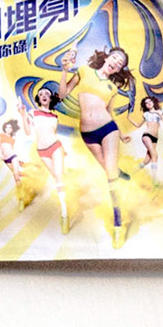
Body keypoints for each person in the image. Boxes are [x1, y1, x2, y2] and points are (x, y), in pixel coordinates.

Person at [60, 46, 135, 247]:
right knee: (110, 170)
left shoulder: (113, 89)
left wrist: (120, 134)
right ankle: (118, 172)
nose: (116, 62)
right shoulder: (84, 71)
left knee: (110, 176)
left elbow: (111, 113)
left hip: (107, 129)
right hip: (87, 134)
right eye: (116, 57)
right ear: (107, 57)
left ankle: (118, 223)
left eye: (120, 63)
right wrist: (65, 70)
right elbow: (62, 94)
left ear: (119, 70)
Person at [25, 82, 70, 231]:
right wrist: (22, 114)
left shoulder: (54, 116)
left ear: (50, 99)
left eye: (47, 94)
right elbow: (27, 132)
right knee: (58, 178)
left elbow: (54, 134)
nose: (44, 96)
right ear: (38, 98)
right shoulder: (32, 113)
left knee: (58, 177)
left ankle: (64, 214)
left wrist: (62, 151)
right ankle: (67, 178)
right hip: (42, 151)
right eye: (41, 94)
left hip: (56, 147)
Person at [0, 118, 27, 200]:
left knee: (16, 176)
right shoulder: (0, 135)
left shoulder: (12, 139)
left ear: (12, 129)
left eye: (10, 128)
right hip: (6, 159)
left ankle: (21, 196)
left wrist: (18, 160)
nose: (8, 129)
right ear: (4, 128)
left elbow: (12, 149)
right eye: (7, 127)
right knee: (19, 174)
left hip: (13, 156)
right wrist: (1, 154)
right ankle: (29, 175)